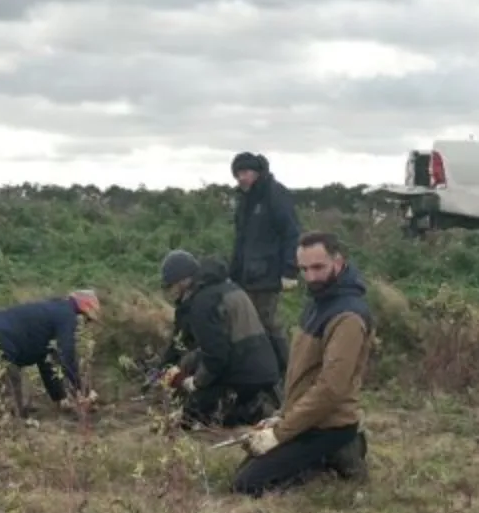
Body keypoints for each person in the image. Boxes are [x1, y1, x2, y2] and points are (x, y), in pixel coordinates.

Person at [234, 232, 371, 495]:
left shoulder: (348, 316)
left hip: (330, 425)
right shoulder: (317, 303)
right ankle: (332, 455)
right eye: (304, 269)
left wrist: (280, 433)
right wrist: (280, 417)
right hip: (307, 419)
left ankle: (341, 453)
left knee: (247, 485)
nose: (310, 277)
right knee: (245, 472)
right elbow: (304, 373)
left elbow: (330, 389)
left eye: (318, 267)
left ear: (339, 262)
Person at [155, 249, 282, 431]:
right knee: (195, 368)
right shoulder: (226, 287)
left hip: (245, 376)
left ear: (184, 281)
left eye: (171, 285)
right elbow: (193, 343)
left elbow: (216, 356)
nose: (170, 290)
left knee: (192, 417)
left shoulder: (202, 303)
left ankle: (253, 410)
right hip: (262, 369)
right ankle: (253, 403)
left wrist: (195, 383)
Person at [0, 291, 100, 420]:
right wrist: (83, 390)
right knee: (13, 392)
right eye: (86, 320)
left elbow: (47, 363)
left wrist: (60, 399)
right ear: (83, 309)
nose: (84, 325)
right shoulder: (67, 315)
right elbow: (66, 355)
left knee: (2, 385)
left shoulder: (54, 313)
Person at [228, 152, 301, 344]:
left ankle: (285, 368)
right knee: (247, 325)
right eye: (237, 174)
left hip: (268, 274)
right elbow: (241, 240)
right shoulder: (244, 200)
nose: (241, 178)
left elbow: (291, 232)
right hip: (246, 276)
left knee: (267, 324)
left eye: (245, 172)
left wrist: (290, 271)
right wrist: (233, 272)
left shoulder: (275, 194)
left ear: (257, 172)